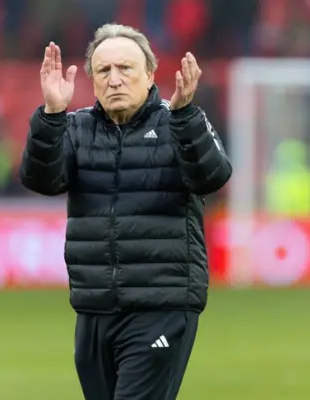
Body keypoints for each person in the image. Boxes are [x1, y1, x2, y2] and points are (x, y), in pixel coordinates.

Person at [19, 23, 232, 400]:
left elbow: (212, 176)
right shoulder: (74, 128)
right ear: (92, 80)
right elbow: (42, 180)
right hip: (95, 305)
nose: (115, 80)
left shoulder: (178, 121)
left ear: (150, 75)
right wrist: (51, 115)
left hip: (162, 303)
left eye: (126, 69)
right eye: (104, 71)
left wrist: (185, 118)